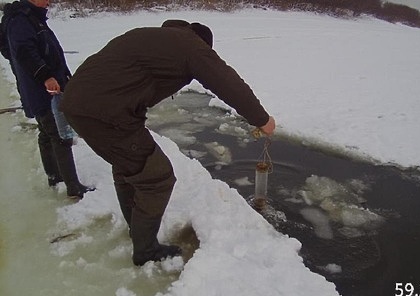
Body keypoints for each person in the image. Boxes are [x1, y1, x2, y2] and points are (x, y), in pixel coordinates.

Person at [61, 19, 276, 266]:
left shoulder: (155, 38)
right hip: (106, 113)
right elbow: (225, 80)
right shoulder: (190, 45)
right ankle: (145, 250)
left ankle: (137, 229)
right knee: (157, 178)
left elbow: (126, 81)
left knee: (128, 167)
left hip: (79, 103)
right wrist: (262, 119)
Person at [3, 0, 92, 199]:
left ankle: (54, 176)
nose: (50, 1)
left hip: (41, 88)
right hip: (42, 90)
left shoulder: (30, 17)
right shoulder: (21, 20)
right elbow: (24, 52)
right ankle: (73, 187)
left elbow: (44, 51)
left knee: (46, 133)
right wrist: (46, 76)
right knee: (59, 135)